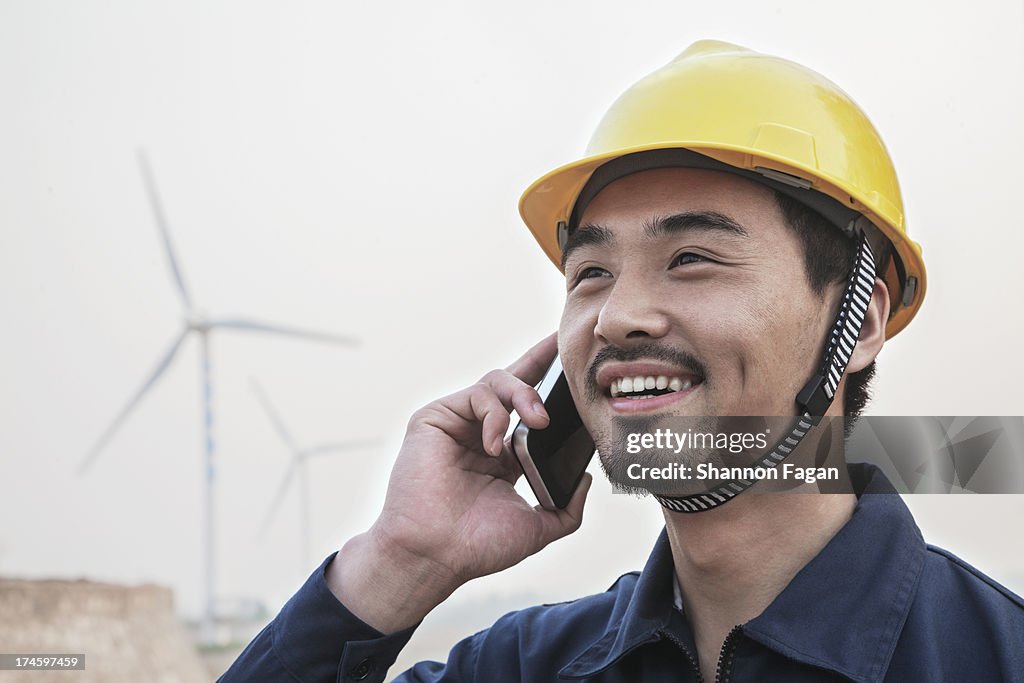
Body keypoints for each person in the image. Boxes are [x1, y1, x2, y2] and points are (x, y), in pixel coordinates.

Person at [222, 41, 1023, 682]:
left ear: (865, 317)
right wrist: (398, 565)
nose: (617, 317)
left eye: (693, 258)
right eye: (591, 274)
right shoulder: (519, 668)